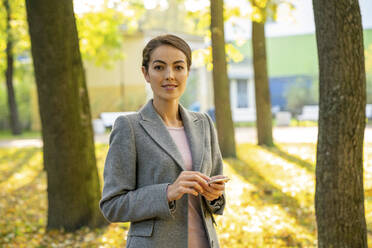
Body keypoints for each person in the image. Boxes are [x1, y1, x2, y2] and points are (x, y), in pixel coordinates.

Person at [99, 34, 226, 248]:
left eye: (178, 67)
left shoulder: (204, 123)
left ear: (187, 71)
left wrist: (214, 196)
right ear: (145, 73)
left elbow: (218, 200)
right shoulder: (129, 127)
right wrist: (167, 192)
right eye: (159, 67)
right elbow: (112, 205)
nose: (170, 75)